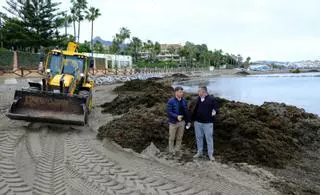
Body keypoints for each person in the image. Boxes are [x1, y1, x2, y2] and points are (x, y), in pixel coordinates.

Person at [192, 86, 218, 161]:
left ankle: (210, 154)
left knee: (209, 139)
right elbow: (195, 110)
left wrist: (214, 111)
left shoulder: (211, 99)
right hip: (198, 123)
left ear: (204, 92)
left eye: (199, 91)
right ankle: (199, 152)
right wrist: (191, 120)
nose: (198, 92)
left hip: (208, 123)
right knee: (199, 137)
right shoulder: (198, 99)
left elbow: (216, 108)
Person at [167, 86, 191, 156]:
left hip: (182, 123)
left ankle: (177, 150)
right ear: (176, 92)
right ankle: (171, 151)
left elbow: (186, 112)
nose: (182, 93)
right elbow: (169, 112)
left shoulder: (184, 101)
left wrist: (188, 121)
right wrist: (176, 116)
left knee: (179, 138)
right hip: (173, 123)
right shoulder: (171, 101)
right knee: (171, 138)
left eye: (182, 92)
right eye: (180, 92)